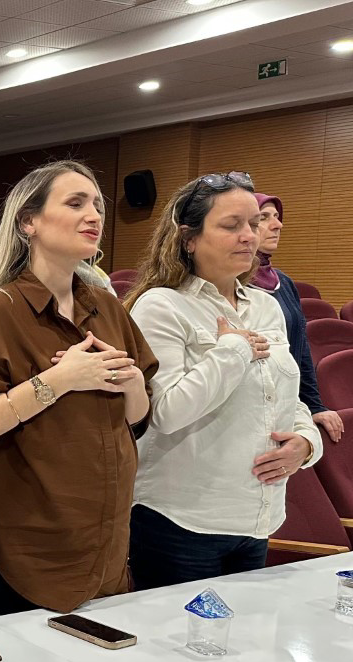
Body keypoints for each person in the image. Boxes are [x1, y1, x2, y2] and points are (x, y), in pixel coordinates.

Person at [0, 160, 157, 619]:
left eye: (97, 203)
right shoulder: (0, 310)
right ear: (28, 222)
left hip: (103, 539)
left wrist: (134, 384)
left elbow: (136, 419)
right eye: (75, 203)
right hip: (24, 548)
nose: (94, 215)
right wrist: (58, 381)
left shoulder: (107, 307)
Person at [125, 173, 322, 589]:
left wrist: (306, 444)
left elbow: (284, 396)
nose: (249, 236)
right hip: (182, 519)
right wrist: (232, 351)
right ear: (188, 238)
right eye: (231, 226)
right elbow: (164, 414)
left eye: (253, 224)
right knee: (177, 648)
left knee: (242, 648)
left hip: (256, 516)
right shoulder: (161, 306)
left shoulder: (266, 308)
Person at [250, 192, 344, 443]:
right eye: (264, 217)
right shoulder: (228, 284)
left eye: (277, 217)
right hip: (250, 410)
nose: (277, 225)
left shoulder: (284, 282)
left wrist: (315, 406)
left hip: (286, 403)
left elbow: (300, 351)